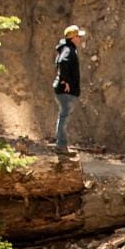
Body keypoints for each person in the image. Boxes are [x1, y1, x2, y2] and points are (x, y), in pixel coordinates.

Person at [52, 24, 84, 156]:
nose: (80, 39)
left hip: (63, 90)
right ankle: (61, 146)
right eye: (78, 36)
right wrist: (65, 81)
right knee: (64, 117)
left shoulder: (67, 48)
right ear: (72, 38)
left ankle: (61, 145)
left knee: (63, 117)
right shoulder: (68, 50)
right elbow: (63, 62)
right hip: (65, 91)